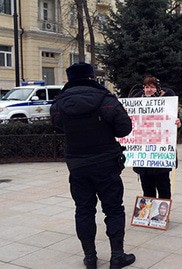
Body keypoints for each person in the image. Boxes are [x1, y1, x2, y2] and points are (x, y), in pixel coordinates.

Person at [50, 62, 135, 269]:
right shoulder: (106, 100)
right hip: (106, 163)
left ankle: (90, 258)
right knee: (114, 209)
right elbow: (124, 129)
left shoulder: (59, 104)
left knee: (84, 210)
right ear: (91, 78)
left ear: (70, 80)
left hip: (77, 165)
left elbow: (57, 125)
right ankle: (117, 256)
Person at [132, 75, 181, 199]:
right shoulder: (137, 103)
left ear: (157, 88)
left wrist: (177, 123)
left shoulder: (167, 103)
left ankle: (162, 213)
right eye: (146, 87)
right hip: (144, 155)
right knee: (147, 187)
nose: (149, 90)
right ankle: (148, 212)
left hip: (160, 155)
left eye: (152, 87)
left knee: (163, 185)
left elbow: (173, 122)